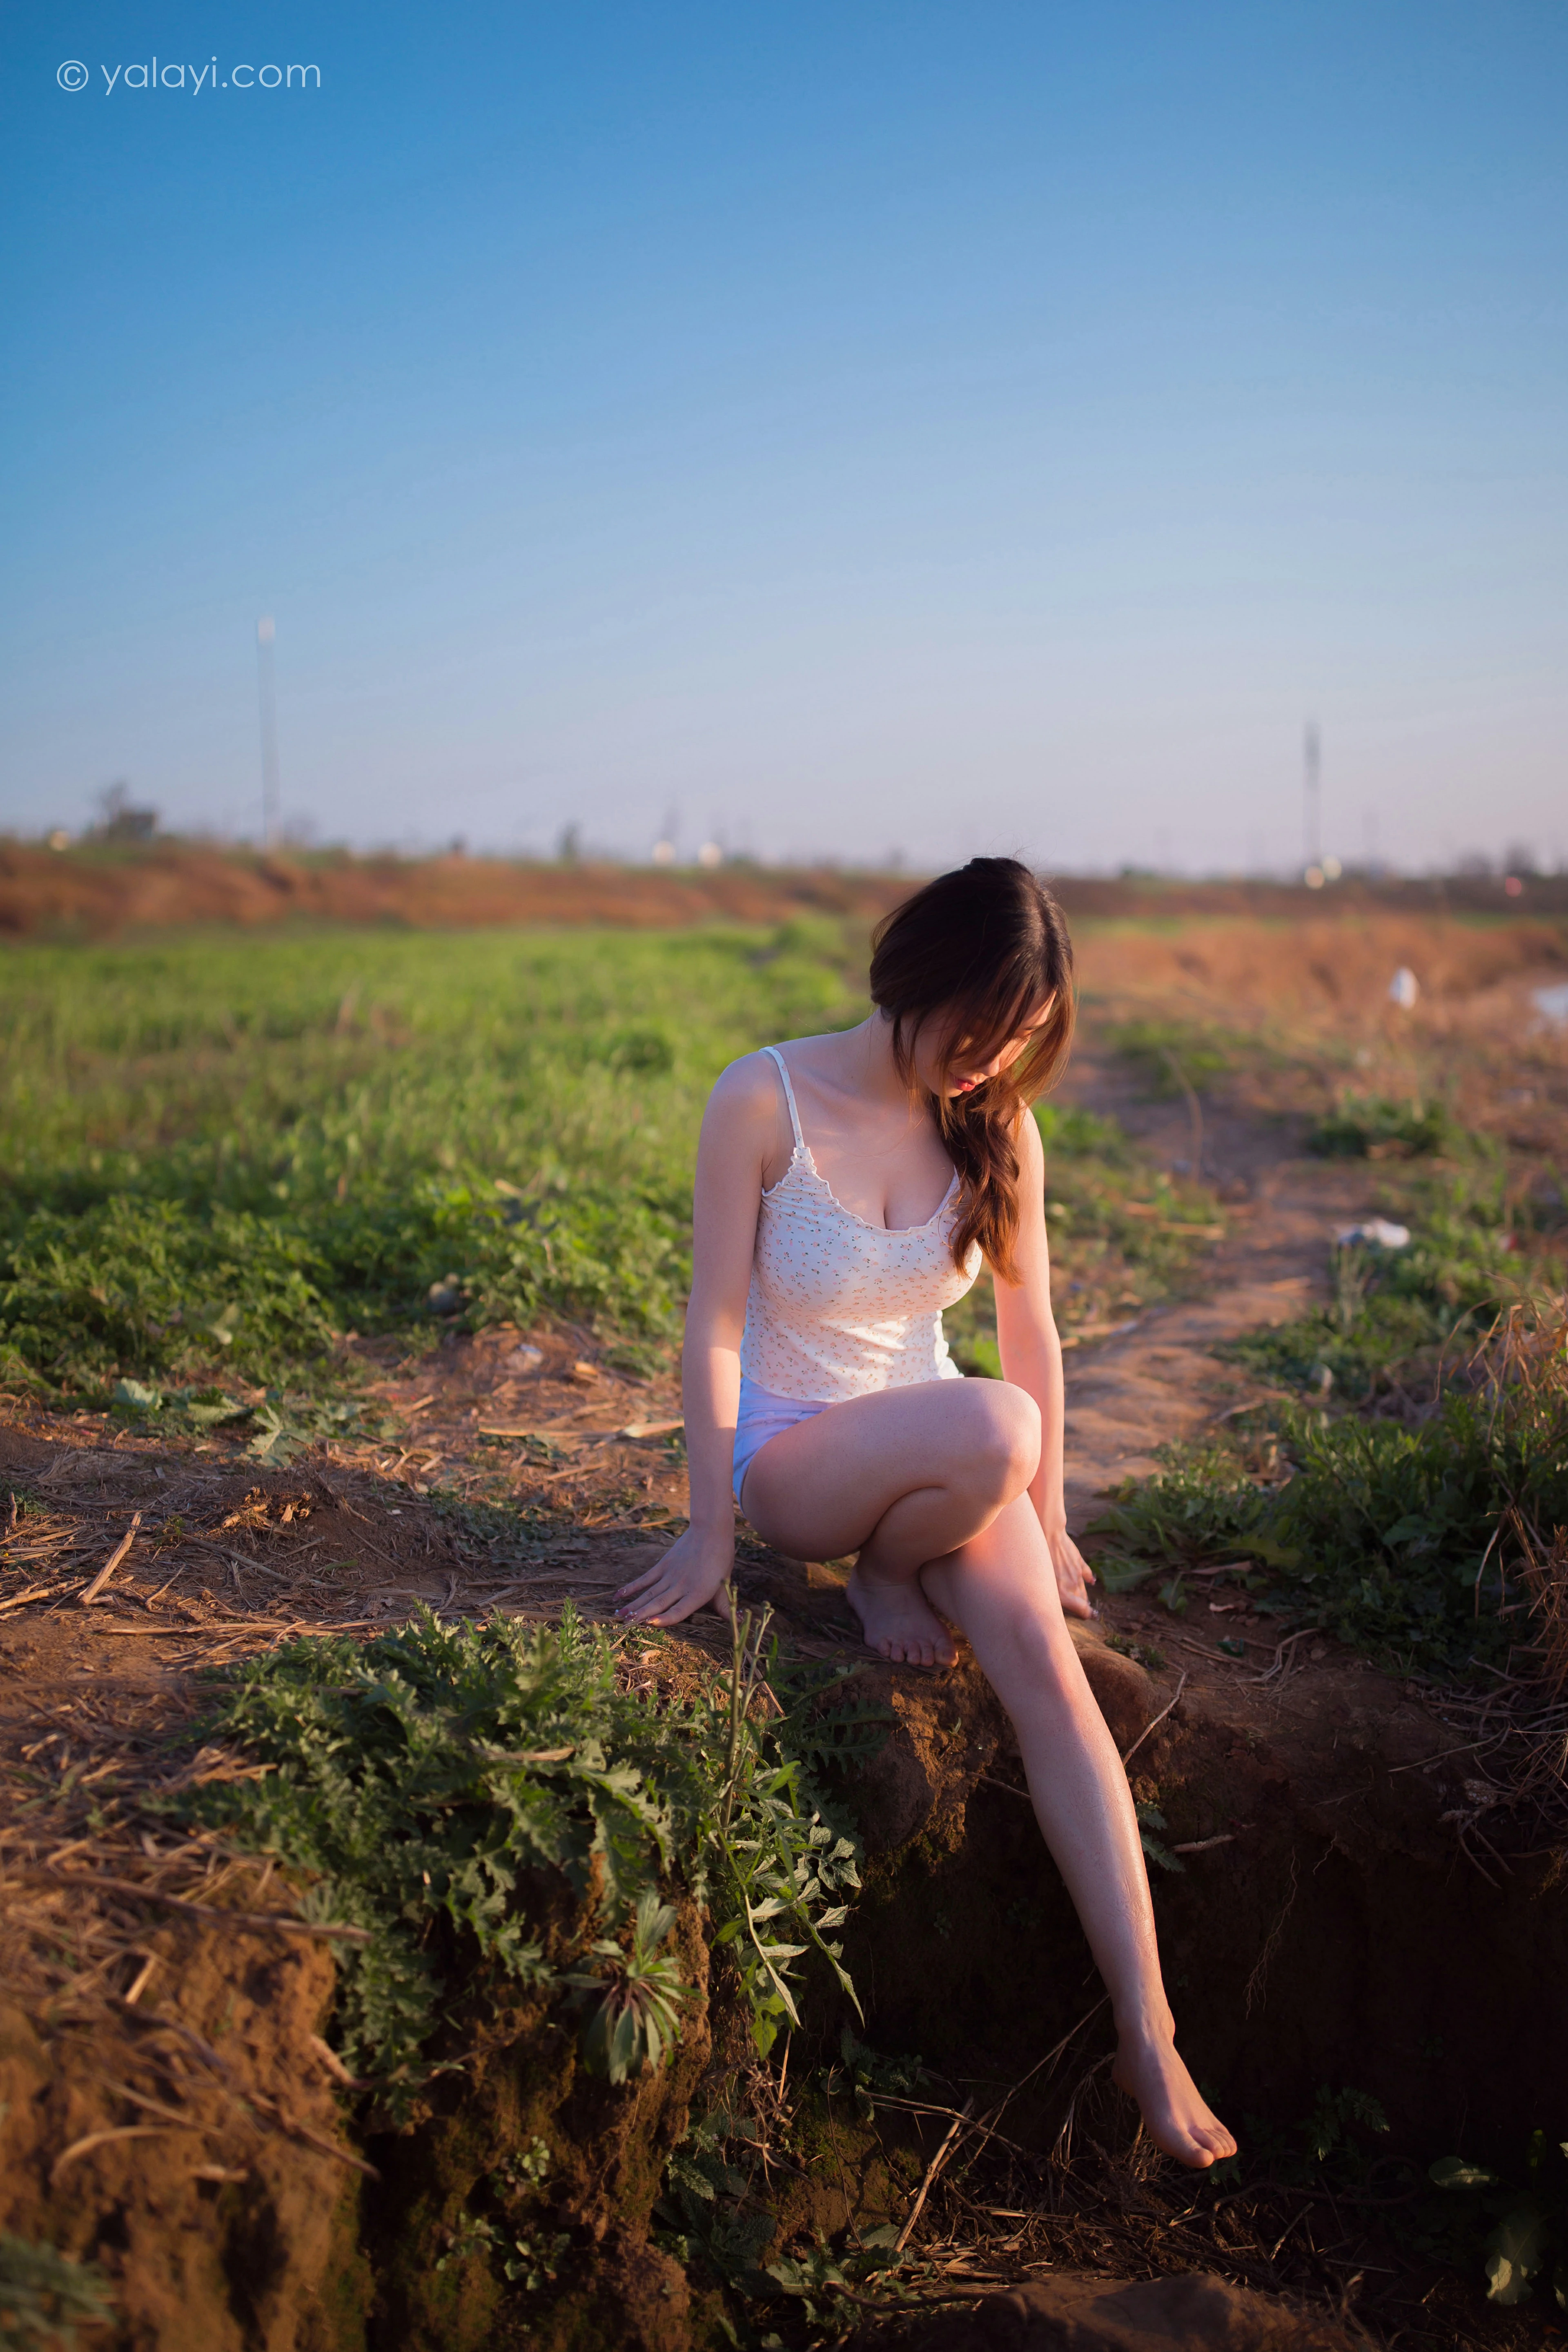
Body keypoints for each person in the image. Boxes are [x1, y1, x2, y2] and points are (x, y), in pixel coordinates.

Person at [616, 857, 1235, 2170]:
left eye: (1020, 1038)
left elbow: (1031, 1329)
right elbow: (715, 1325)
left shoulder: (999, 1128)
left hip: (938, 1443)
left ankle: (1150, 2027)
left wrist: (1049, 1519)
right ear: (921, 976)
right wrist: (710, 1533)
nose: (991, 1059)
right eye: (980, 1027)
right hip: (796, 1461)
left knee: (1052, 1680)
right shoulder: (764, 1096)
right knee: (997, 1425)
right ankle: (884, 1571)